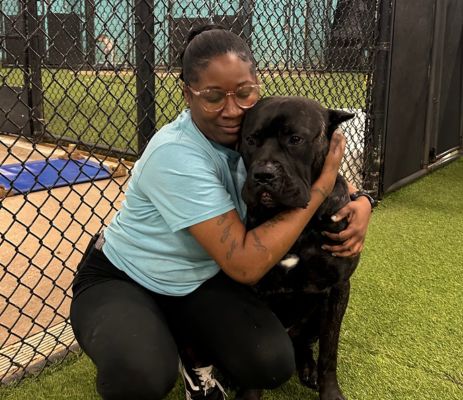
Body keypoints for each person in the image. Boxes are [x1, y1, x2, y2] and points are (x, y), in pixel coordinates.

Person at [70, 24, 372, 400]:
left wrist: (362, 202)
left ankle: (186, 343)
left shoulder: (254, 133)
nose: (232, 109)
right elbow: (245, 265)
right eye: (213, 96)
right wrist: (322, 189)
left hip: (197, 281)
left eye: (244, 93)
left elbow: (304, 160)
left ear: (257, 88)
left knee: (270, 361)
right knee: (141, 374)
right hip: (126, 278)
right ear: (188, 95)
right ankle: (163, 341)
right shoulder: (175, 154)